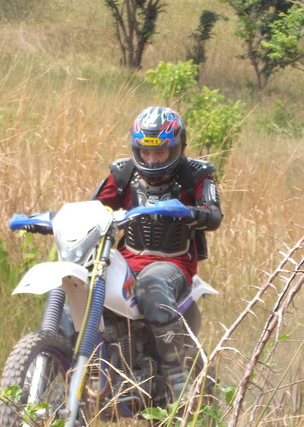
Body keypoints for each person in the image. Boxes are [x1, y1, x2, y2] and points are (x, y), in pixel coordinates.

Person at [92, 106, 223, 402]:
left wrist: (189, 212)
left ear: (177, 147)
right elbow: (95, 208)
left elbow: (214, 214)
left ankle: (179, 381)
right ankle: (48, 369)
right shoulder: (123, 173)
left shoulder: (196, 175)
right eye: (146, 152)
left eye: (160, 152)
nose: (152, 159)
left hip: (172, 263)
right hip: (125, 260)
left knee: (150, 287)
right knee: (83, 287)